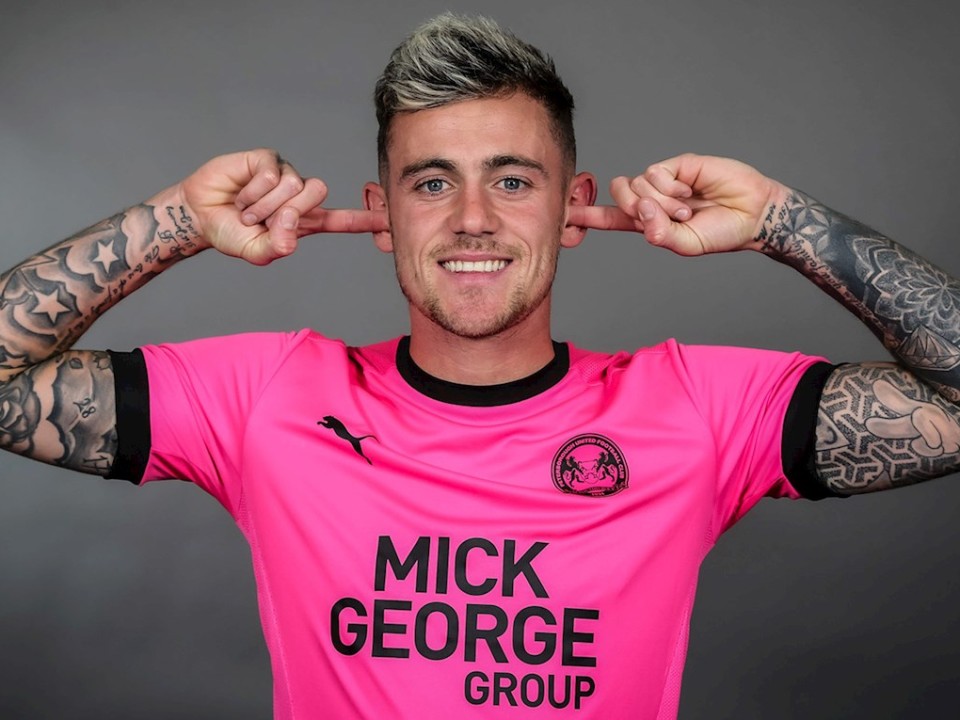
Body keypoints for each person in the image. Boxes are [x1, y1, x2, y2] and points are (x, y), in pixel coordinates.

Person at [1, 12, 957, 720]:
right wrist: (175, 220)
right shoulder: (268, 397)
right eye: (432, 182)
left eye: (511, 179)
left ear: (573, 205)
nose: (471, 220)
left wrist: (784, 220)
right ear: (383, 214)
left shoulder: (696, 409)